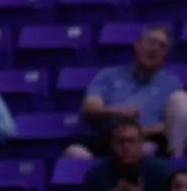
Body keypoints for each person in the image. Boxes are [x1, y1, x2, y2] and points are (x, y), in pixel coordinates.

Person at [78, 25, 187, 157]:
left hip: (148, 142)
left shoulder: (172, 84)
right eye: (151, 42)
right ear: (138, 45)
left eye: (162, 46)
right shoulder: (109, 75)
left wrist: (135, 132)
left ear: (165, 55)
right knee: (75, 154)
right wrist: (117, 112)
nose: (155, 48)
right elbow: (90, 107)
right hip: (108, 139)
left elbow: (175, 127)